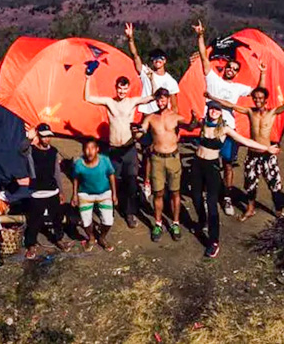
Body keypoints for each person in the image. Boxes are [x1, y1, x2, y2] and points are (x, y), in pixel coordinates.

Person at [209, 86, 284, 220]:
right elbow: (230, 104)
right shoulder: (249, 111)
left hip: (267, 155)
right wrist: (212, 97)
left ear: (265, 100)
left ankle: (278, 211)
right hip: (252, 155)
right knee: (250, 184)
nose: (257, 100)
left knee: (274, 185)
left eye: (260, 98)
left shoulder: (272, 113)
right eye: (255, 98)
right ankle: (250, 209)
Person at [191, 99, 279, 259]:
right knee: (196, 198)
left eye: (216, 110)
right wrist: (191, 121)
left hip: (211, 168)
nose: (213, 112)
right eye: (211, 109)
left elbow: (244, 140)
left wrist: (266, 147)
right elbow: (189, 127)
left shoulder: (224, 129)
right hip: (197, 165)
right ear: (208, 110)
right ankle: (202, 222)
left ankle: (213, 241)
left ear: (220, 113)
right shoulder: (203, 123)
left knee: (211, 204)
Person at [193, 20, 264, 216]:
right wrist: (200, 36)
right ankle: (208, 195)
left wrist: (263, 72)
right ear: (225, 67)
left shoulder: (238, 88)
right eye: (229, 67)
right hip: (210, 127)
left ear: (237, 72)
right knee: (209, 163)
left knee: (228, 165)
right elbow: (203, 57)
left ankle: (226, 197)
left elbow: (259, 91)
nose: (231, 70)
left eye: (235, 69)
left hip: (229, 129)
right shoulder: (213, 78)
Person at [83, 71, 155, 227]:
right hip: (114, 149)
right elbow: (87, 98)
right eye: (119, 89)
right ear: (116, 88)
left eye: (125, 89)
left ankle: (129, 214)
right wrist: (87, 79)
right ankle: (111, 211)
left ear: (128, 89)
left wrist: (151, 79)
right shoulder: (109, 102)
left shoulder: (132, 101)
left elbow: (153, 97)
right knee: (113, 181)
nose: (122, 92)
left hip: (129, 148)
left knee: (131, 182)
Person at [125, 22, 180, 200]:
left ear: (165, 61)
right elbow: (135, 56)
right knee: (146, 149)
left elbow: (175, 105)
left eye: (160, 58)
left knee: (152, 150)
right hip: (145, 116)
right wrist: (130, 38)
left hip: (161, 118)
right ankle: (147, 181)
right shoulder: (146, 72)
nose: (156, 61)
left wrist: (175, 125)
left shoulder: (171, 82)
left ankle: (151, 180)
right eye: (154, 59)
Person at [139, 88, 198, 242]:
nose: (161, 102)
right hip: (157, 159)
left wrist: (193, 120)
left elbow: (190, 127)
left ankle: (175, 223)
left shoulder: (176, 117)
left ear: (168, 100)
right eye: (158, 99)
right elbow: (141, 130)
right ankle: (158, 223)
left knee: (175, 193)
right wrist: (136, 131)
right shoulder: (151, 118)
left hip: (173, 158)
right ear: (155, 101)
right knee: (158, 193)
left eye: (163, 99)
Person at [24, 123, 71, 259]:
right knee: (34, 221)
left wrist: (61, 191)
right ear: (39, 137)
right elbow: (21, 150)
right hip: (37, 192)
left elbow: (56, 172)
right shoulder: (31, 150)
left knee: (57, 219)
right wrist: (29, 138)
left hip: (52, 191)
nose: (47, 139)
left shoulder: (53, 152)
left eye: (49, 136)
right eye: (44, 137)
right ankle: (31, 244)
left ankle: (59, 239)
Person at [71, 138, 118, 251]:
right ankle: (91, 238)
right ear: (83, 151)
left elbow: (111, 176)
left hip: (104, 193)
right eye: (86, 148)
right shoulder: (79, 164)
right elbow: (76, 179)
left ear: (97, 149)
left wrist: (114, 194)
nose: (89, 151)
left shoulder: (105, 160)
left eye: (92, 148)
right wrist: (74, 195)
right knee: (85, 221)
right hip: (85, 195)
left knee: (108, 221)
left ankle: (102, 238)